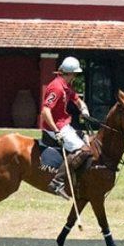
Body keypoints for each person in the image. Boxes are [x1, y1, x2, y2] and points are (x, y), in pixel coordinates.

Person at [42, 56, 91, 198]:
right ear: (69, 73)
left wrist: (84, 110)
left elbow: (77, 100)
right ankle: (57, 182)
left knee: (87, 138)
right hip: (55, 127)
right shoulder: (56, 87)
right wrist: (56, 131)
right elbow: (45, 111)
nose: (76, 76)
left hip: (65, 124)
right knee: (82, 150)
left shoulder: (66, 86)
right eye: (75, 74)